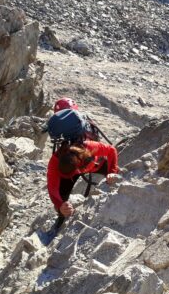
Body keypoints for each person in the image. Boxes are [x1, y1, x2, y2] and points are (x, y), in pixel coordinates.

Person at [46, 98, 120, 230]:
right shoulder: (55, 161)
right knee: (62, 197)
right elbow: (52, 187)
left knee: (116, 180)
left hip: (95, 163)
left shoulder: (90, 147)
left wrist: (112, 172)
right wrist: (60, 205)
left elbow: (111, 150)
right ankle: (62, 217)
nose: (76, 174)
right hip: (94, 164)